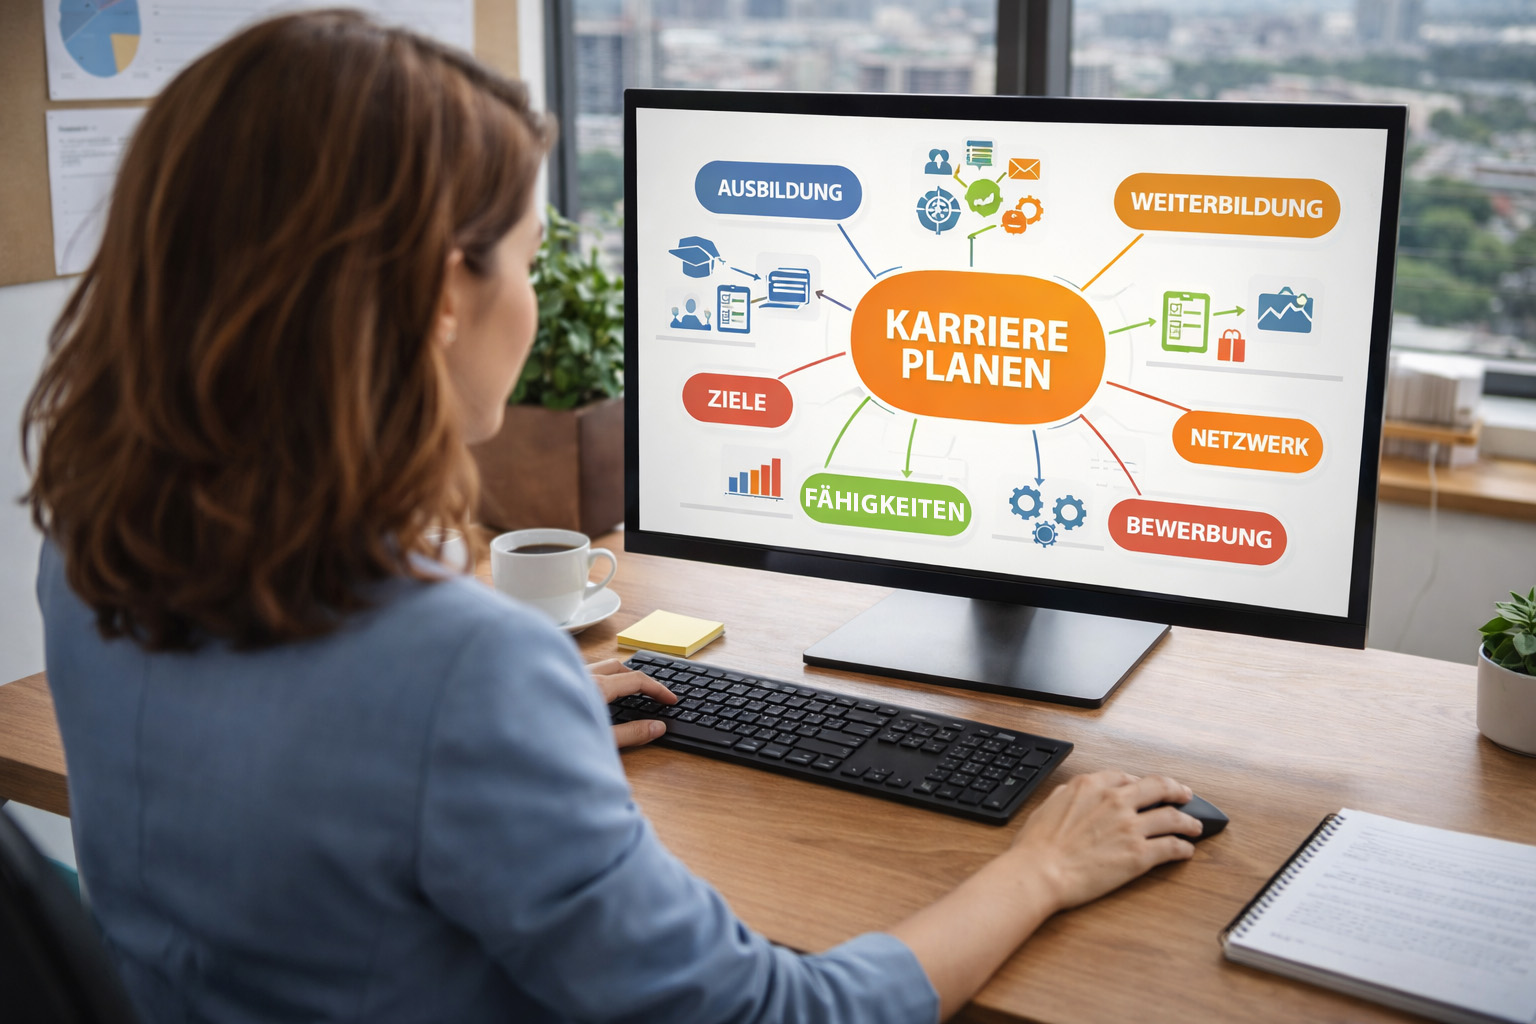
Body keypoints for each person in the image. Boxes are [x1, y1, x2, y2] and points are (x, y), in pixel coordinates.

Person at [22, 11, 1202, 1023]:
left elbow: (306, 761)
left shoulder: (91, 551)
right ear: (443, 291)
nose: (532, 302)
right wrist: (1042, 867)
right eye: (530, 259)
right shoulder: (457, 666)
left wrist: (501, 737)